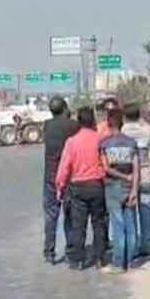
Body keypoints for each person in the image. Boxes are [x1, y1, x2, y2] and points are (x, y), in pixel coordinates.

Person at [55, 107, 107, 271]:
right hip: (97, 185)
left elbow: (65, 167)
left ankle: (78, 260)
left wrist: (60, 187)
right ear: (92, 120)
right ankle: (100, 258)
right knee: (99, 223)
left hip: (78, 187)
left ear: (78, 122)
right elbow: (106, 163)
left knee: (79, 225)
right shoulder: (99, 139)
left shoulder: (72, 142)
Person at [99, 109, 140, 274]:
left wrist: (123, 176)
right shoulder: (131, 143)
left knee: (118, 226)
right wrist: (134, 189)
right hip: (129, 187)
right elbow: (137, 168)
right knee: (130, 225)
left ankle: (118, 263)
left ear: (108, 124)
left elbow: (106, 168)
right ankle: (130, 261)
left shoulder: (105, 144)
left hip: (113, 187)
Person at [42, 96, 79, 264]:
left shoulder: (47, 126)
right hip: (69, 176)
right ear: (65, 108)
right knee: (70, 214)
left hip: (50, 176)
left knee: (51, 215)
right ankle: (71, 250)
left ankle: (49, 252)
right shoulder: (73, 125)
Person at [122, 102, 150, 259]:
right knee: (146, 210)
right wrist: (141, 120)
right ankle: (146, 245)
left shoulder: (123, 131)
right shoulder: (147, 130)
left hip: (129, 174)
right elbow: (149, 128)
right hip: (145, 171)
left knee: (130, 211)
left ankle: (133, 246)